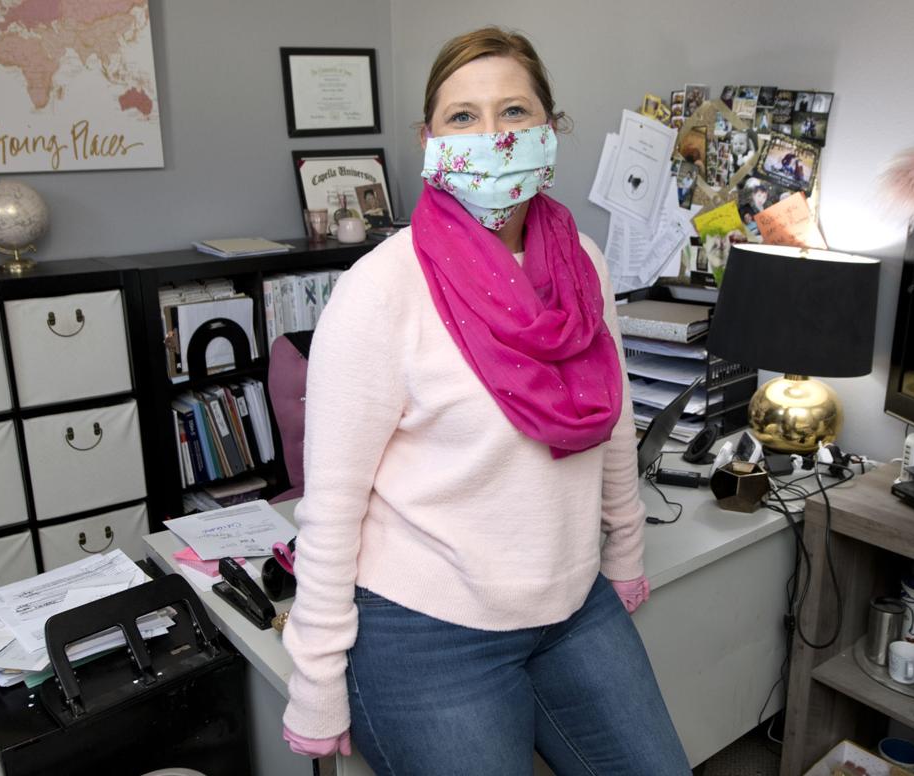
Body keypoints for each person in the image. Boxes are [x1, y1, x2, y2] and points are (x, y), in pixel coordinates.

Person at [279, 26, 690, 775]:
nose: (492, 136)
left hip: (571, 603)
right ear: (429, 138)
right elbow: (332, 504)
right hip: (426, 625)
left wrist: (625, 549)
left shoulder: (583, 263)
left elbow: (611, 421)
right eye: (463, 117)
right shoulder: (382, 288)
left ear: (550, 128)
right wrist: (315, 682)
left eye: (514, 112)